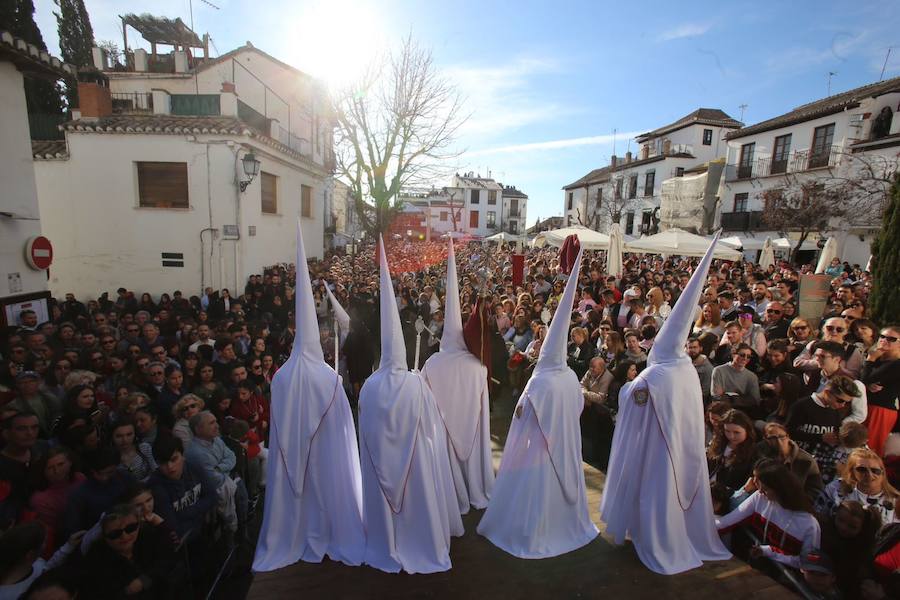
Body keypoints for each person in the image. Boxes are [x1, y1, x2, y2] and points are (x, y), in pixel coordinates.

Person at [601, 234, 731, 574]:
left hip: (656, 447)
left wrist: (631, 384)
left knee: (655, 494)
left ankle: (652, 535)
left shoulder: (654, 376)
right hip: (683, 444)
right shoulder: (686, 369)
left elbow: (631, 398)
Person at [254, 224, 366, 572]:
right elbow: (345, 424)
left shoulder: (282, 376)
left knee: (299, 492)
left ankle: (292, 530)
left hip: (292, 454)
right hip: (325, 455)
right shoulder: (327, 376)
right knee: (324, 495)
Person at [479, 244, 599, 558]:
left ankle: (535, 530)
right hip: (566, 444)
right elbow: (577, 407)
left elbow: (520, 414)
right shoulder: (570, 377)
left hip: (540, 449)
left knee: (536, 491)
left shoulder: (541, 379)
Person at [358, 238, 462, 573]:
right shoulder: (415, 382)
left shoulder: (370, 386)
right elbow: (432, 426)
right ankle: (421, 537)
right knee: (418, 503)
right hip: (415, 463)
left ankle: (385, 539)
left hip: (379, 466)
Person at [421, 239, 494, 515]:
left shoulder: (431, 364)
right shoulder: (477, 368)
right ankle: (475, 484)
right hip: (473, 434)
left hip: (444, 435)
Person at [716, 459, 821, 570]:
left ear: (779, 488)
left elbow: (808, 562)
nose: (760, 491)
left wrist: (769, 552)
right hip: (756, 567)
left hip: (786, 579)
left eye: (765, 489)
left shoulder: (809, 525)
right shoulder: (759, 498)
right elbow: (726, 523)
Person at [82, 503, 178, 599]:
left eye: (130, 528)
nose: (124, 537)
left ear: (139, 525)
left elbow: (170, 563)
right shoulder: (95, 559)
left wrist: (144, 581)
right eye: (115, 534)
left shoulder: (149, 536)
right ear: (104, 536)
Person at [786, 375, 862, 483]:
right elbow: (787, 432)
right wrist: (820, 437)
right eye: (840, 400)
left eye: (847, 402)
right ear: (827, 393)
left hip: (823, 468)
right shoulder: (801, 406)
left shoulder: (834, 411)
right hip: (798, 464)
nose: (843, 405)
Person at [147, 436, 216, 540]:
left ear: (182, 455)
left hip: (204, 532)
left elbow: (212, 496)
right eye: (163, 463)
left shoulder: (194, 467)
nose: (170, 466)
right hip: (183, 545)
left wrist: (186, 512)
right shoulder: (156, 486)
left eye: (174, 459)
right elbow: (173, 527)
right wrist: (200, 511)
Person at [816, 448, 899, 527]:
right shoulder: (836, 486)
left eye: (875, 471)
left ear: (882, 473)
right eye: (862, 469)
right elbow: (818, 516)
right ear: (851, 472)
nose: (869, 475)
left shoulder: (896, 500)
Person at [28, 447, 86, 551]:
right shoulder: (40, 499)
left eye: (61, 464)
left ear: (70, 463)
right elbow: (54, 531)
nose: (57, 471)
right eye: (50, 468)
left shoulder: (80, 478)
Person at [757, 422, 823, 503]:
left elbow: (815, 490)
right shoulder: (761, 457)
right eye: (772, 438)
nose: (779, 442)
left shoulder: (806, 460)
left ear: (788, 437)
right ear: (766, 440)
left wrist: (799, 502)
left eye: (781, 437)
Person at [861, 325, 900, 457]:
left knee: (869, 450)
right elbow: (863, 380)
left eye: (891, 339)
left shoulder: (896, 364)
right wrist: (867, 383)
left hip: (880, 410)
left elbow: (864, 378)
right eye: (882, 336)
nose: (884, 340)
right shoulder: (876, 359)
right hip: (864, 407)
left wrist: (870, 360)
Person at [707, 409, 758, 494]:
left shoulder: (753, 453)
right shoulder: (718, 444)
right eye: (727, 431)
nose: (731, 436)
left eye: (736, 432)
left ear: (747, 431)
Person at [711, 343, 762, 416]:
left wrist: (729, 396)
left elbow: (755, 401)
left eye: (748, 356)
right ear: (733, 355)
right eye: (742, 355)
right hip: (721, 411)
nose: (745, 358)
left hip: (743, 412)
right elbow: (717, 396)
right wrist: (741, 398)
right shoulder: (719, 371)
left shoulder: (752, 377)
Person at [687, 337, 715, 406]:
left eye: (695, 347)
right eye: (690, 347)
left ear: (700, 348)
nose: (692, 350)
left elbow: (704, 392)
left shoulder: (708, 368)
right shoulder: (684, 364)